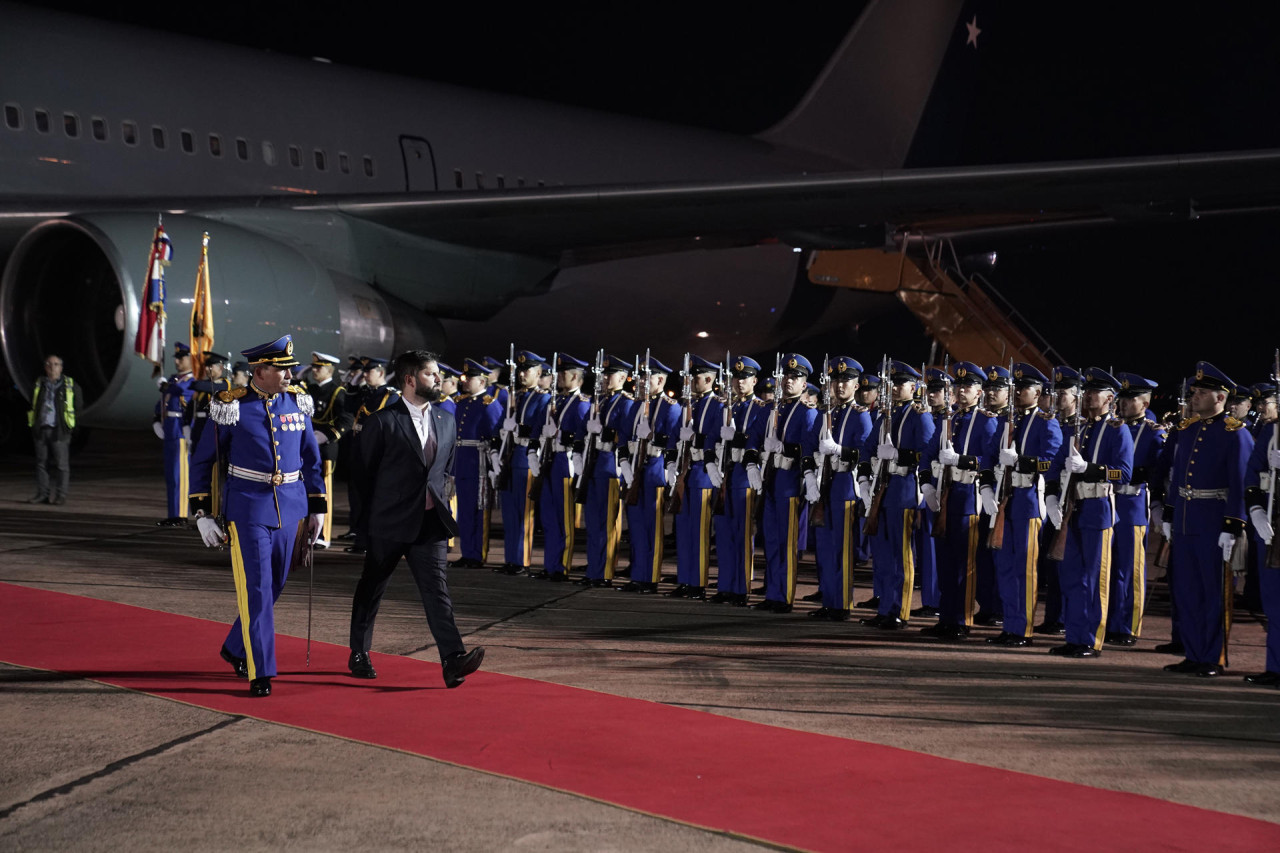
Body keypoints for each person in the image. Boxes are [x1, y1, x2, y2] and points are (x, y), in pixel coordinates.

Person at [189, 334, 327, 697]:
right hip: (248, 507)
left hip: (292, 506)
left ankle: (234, 646)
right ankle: (259, 669)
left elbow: (312, 460)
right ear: (260, 370)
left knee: (276, 584)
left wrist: (319, 509)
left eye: (290, 369)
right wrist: (201, 512)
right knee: (258, 588)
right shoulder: (230, 406)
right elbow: (203, 460)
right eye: (283, 370)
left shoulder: (297, 402)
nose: (291, 375)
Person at [346, 349, 485, 688]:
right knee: (373, 586)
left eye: (438, 374)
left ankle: (453, 660)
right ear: (410, 379)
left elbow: (443, 471)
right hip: (389, 522)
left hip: (429, 521)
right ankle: (359, 652)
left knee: (437, 590)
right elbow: (362, 476)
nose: (439, 379)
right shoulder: (382, 421)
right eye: (430, 374)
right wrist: (363, 526)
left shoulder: (446, 420)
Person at [1160, 362, 1252, 678]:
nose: (1193, 397)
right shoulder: (1187, 430)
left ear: (1220, 396)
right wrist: (1170, 512)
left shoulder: (1235, 434)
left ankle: (1213, 656)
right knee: (1187, 591)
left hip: (1214, 521)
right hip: (1186, 518)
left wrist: (1233, 524)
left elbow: (1240, 484)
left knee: (1214, 592)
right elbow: (1177, 477)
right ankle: (1193, 652)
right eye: (1193, 392)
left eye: (1200, 392)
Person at [1045, 367, 1130, 658]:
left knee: (1095, 578)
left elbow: (1124, 473)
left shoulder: (1118, 429)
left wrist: (1090, 469)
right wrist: (1051, 497)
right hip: (1072, 508)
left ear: (1110, 398)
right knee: (1071, 576)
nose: (1089, 396)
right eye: (1088, 391)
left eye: (1095, 392)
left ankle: (1091, 640)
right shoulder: (1075, 427)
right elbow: (1056, 466)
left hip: (1097, 509)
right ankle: (1074, 635)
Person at [983, 363, 1063, 647]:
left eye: (1024, 389)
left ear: (1038, 392)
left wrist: (1020, 461)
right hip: (1007, 499)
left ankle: (1023, 629)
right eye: (1015, 389)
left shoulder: (1046, 421)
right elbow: (990, 456)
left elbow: (1051, 462)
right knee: (1004, 567)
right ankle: (1010, 624)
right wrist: (984, 486)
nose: (1017, 393)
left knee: (1024, 568)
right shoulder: (1008, 421)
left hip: (1029, 501)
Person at [920, 361, 998, 641]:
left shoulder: (988, 421)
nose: (961, 391)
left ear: (979, 393)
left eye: (968, 387)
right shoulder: (948, 420)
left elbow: (990, 461)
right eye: (959, 386)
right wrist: (926, 482)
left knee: (965, 564)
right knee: (945, 563)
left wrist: (961, 460)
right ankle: (946, 616)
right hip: (944, 498)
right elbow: (928, 454)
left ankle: (962, 619)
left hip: (968, 499)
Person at [858, 361, 934, 628]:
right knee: (884, 555)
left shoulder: (919, 415)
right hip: (883, 489)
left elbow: (927, 452)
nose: (894, 387)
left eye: (900, 383)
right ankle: (885, 608)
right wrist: (864, 477)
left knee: (902, 555)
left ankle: (900, 610)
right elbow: (867, 449)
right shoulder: (885, 414)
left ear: (913, 387)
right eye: (891, 383)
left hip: (904, 489)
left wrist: (899, 455)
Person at [1105, 372, 1167, 645]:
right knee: (1109, 566)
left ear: (1144, 403)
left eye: (1131, 400)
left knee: (1130, 568)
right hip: (1108, 500)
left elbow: (1158, 470)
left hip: (1132, 502)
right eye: (1122, 399)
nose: (1123, 404)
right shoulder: (1113, 427)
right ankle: (1109, 621)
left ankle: (1127, 626)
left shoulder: (1154, 432)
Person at [810, 356, 872, 620]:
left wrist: (840, 450)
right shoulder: (828, 414)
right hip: (826, 483)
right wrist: (810, 476)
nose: (840, 386)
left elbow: (866, 453)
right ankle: (830, 600)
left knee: (842, 549)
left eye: (846, 381)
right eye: (836, 381)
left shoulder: (861, 416)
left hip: (846, 485)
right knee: (826, 548)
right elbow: (811, 446)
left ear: (856, 386)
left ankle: (843, 604)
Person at [618, 356, 683, 593]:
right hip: (635, 470)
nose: (642, 381)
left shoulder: (670, 407)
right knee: (635, 526)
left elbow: (675, 442)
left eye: (647, 377)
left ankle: (651, 577)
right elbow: (624, 435)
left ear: (660, 380)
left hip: (655, 470)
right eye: (641, 377)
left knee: (652, 528)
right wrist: (624, 461)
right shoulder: (635, 405)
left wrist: (669, 469)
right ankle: (638, 576)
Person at [710, 356, 768, 605]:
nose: (740, 381)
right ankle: (725, 586)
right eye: (736, 377)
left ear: (754, 381)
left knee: (743, 535)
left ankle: (741, 588)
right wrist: (711, 461)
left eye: (745, 378)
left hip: (745, 477)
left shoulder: (762, 408)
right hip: (725, 476)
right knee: (723, 535)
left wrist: (738, 440)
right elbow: (711, 438)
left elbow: (762, 439)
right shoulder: (725, 407)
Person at [530, 355, 591, 581]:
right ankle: (550, 564)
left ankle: (562, 566)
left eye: (563, 373)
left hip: (565, 464)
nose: (559, 377)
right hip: (549, 461)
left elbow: (584, 433)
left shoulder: (583, 403)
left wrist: (561, 435)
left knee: (564, 519)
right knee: (548, 517)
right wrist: (533, 450)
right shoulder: (556, 401)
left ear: (575, 376)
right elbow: (538, 428)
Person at [578, 354, 634, 587]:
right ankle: (594, 569)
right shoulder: (602, 401)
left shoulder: (626, 402)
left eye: (610, 375)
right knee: (593, 523)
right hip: (595, 466)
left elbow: (626, 435)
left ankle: (606, 571)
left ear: (622, 377)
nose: (605, 378)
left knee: (608, 524)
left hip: (611, 467)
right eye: (603, 375)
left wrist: (603, 432)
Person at [493, 350, 550, 575]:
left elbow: (538, 427)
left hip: (527, 458)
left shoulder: (543, 398)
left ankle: (523, 560)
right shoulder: (517, 396)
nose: (522, 374)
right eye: (520, 370)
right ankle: (511, 559)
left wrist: (518, 429)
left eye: (527, 370)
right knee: (509, 513)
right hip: (512, 457)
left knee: (524, 513)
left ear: (538, 373)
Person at [448, 359, 504, 569]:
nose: (464, 381)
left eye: (469, 378)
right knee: (464, 511)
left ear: (482, 381)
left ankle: (478, 554)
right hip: (463, 462)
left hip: (478, 465)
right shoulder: (461, 403)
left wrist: (494, 467)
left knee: (479, 512)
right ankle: (467, 552)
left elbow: (495, 437)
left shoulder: (489, 405)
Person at [302, 352, 353, 548]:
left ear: (329, 369)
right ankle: (306, 530)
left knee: (323, 493)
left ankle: (322, 534)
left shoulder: (338, 391)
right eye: (313, 367)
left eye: (319, 367)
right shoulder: (310, 389)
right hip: (306, 447)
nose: (314, 370)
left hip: (324, 449)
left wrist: (325, 436)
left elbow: (346, 420)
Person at [27, 353, 81, 505]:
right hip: (42, 429)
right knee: (41, 463)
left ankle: (61, 495)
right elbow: (33, 403)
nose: (52, 367)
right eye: (49, 364)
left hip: (59, 431)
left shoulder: (69, 385)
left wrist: (69, 425)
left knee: (61, 464)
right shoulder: (39, 384)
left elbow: (78, 406)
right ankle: (42, 494)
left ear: (61, 368)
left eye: (56, 364)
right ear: (45, 367)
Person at [154, 341, 195, 527]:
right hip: (170, 429)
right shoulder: (173, 380)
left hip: (180, 430)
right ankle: (173, 514)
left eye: (181, 358)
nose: (178, 361)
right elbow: (163, 402)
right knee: (171, 475)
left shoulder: (191, 382)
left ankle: (180, 515)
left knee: (180, 475)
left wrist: (167, 387)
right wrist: (156, 419)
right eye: (176, 358)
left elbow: (181, 393)